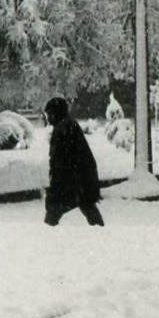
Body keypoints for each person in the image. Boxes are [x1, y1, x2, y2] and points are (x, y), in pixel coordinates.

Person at [43, 96, 105, 227]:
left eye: (49, 114)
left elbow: (60, 161)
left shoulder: (62, 129)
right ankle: (101, 231)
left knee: (54, 211)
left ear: (55, 113)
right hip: (82, 179)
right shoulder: (69, 125)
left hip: (74, 181)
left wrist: (56, 185)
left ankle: (46, 233)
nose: (48, 118)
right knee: (88, 207)